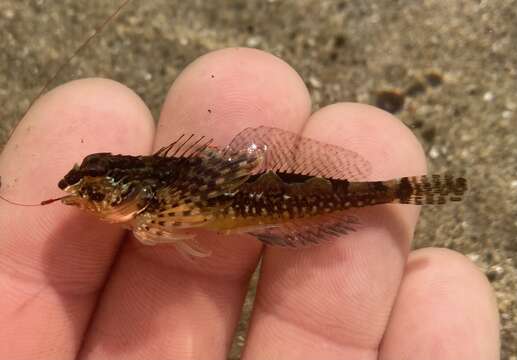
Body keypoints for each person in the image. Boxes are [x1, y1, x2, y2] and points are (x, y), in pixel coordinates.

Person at [0, 48, 499, 359]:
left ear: (134, 196)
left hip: (258, 204)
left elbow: (184, 212)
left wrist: (160, 229)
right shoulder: (149, 201)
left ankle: (397, 190)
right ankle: (396, 190)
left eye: (95, 193)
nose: (84, 197)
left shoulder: (156, 205)